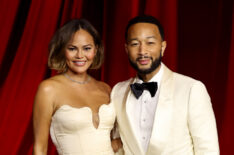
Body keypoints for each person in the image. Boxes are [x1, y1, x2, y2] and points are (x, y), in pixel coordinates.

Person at [111, 15, 219, 154]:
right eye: (135, 44)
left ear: (162, 47)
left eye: (150, 43)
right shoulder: (118, 92)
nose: (142, 51)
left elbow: (208, 150)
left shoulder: (191, 89)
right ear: (126, 49)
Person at [33, 19, 120, 155]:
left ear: (95, 50)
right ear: (63, 50)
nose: (80, 55)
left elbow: (110, 143)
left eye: (87, 48)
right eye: (72, 48)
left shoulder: (105, 89)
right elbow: (40, 148)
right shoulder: (49, 89)